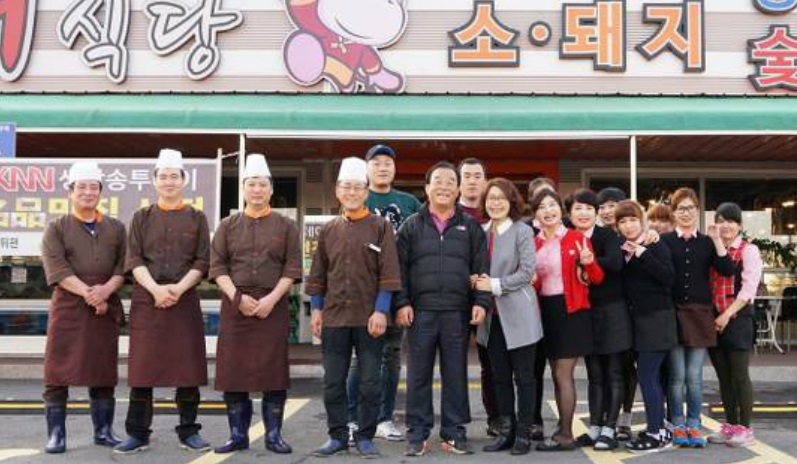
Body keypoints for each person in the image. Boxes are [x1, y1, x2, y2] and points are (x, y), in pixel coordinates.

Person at [115, 149, 212, 454]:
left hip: (185, 300)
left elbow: (202, 260)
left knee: (188, 369)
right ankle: (138, 433)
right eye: (163, 176)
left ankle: (189, 431)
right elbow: (134, 259)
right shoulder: (141, 217)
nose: (169, 182)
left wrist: (178, 289)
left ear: (184, 180)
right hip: (148, 300)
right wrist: (156, 290)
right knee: (142, 370)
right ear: (155, 181)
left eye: (174, 176)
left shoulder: (197, 217)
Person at [307, 157, 402, 458]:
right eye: (346, 187)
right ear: (337, 191)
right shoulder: (329, 229)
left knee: (370, 381)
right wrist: (317, 310)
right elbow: (318, 275)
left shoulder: (380, 226)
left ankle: (365, 436)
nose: (351, 192)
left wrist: (381, 310)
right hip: (334, 317)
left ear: (365, 192)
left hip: (369, 317)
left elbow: (389, 272)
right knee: (333, 381)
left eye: (357, 187)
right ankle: (337, 435)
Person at [395, 161, 490, 456]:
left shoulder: (470, 227)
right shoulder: (411, 225)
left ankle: (454, 432)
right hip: (420, 312)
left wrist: (481, 302)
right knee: (418, 375)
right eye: (438, 181)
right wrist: (402, 303)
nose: (444, 186)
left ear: (458, 189)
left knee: (456, 374)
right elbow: (399, 269)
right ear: (427, 188)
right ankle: (417, 432)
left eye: (450, 182)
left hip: (456, 312)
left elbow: (481, 267)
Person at [209, 154, 302, 454]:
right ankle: (237, 435)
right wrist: (237, 298)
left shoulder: (286, 226)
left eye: (262, 184)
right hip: (235, 306)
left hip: (272, 306)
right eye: (251, 184)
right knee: (233, 373)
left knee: (274, 373)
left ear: (271, 189)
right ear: (244, 189)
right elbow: (217, 267)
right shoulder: (227, 225)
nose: (257, 190)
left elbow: (292, 268)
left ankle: (273, 435)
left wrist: (272, 299)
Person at [40, 161, 127, 454]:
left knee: (103, 371)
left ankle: (104, 431)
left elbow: (122, 267)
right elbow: (58, 269)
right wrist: (91, 294)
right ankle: (56, 435)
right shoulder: (56, 228)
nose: (88, 192)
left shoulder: (116, 228)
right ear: (70, 191)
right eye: (82, 187)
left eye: (94, 187)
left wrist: (105, 292)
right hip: (68, 309)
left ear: (100, 192)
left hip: (104, 309)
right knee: (56, 373)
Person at [346, 144, 421, 443]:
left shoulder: (409, 202)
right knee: (361, 357)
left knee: (391, 356)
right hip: (363, 290)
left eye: (388, 162)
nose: (382, 167)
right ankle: (352, 419)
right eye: (376, 162)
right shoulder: (358, 197)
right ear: (367, 169)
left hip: (398, 289)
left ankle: (384, 418)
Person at [530, 189, 603, 452]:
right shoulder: (533, 242)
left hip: (572, 311)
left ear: (561, 210)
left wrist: (589, 262)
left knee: (563, 373)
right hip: (545, 311)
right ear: (535, 214)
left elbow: (597, 278)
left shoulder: (576, 238)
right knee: (554, 373)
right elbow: (534, 282)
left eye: (552, 205)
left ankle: (565, 434)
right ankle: (563, 429)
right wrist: (533, 282)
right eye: (541, 207)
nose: (548, 211)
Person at [661, 187, 734, 448]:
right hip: (674, 313)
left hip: (701, 313)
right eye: (681, 208)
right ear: (673, 213)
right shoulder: (665, 241)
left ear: (697, 211)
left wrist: (717, 240)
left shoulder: (706, 241)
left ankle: (693, 423)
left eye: (690, 208)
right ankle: (677, 423)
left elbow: (727, 269)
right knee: (677, 376)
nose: (686, 213)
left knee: (694, 376)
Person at [475, 178, 542, 455]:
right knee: (499, 376)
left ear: (511, 201)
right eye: (491, 198)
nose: (495, 203)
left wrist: (494, 284)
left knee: (525, 377)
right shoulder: (479, 231)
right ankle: (507, 431)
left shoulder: (522, 231)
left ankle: (524, 433)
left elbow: (527, 272)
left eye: (501, 198)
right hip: (491, 318)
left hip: (520, 314)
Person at [567, 189, 632, 451]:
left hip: (612, 310)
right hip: (585, 312)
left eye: (588, 209)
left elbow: (615, 263)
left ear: (596, 214)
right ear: (570, 214)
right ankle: (595, 426)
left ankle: (610, 428)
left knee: (614, 371)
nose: (583, 213)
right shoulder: (568, 236)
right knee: (594, 373)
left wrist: (587, 262)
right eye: (578, 208)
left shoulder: (607, 236)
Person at [615, 200, 677, 453]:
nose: (628, 225)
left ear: (641, 221)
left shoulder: (654, 244)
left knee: (648, 376)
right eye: (622, 221)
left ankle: (655, 433)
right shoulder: (622, 249)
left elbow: (668, 277)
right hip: (639, 324)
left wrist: (644, 253)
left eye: (632, 220)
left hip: (658, 321)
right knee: (652, 377)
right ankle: (658, 427)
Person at [707, 203, 762, 448]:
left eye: (731, 221)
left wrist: (727, 315)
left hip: (738, 319)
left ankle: (745, 428)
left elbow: (748, 290)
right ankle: (730, 425)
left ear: (739, 225)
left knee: (739, 376)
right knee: (724, 377)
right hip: (714, 320)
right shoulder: (714, 248)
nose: (726, 226)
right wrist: (715, 317)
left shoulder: (749, 250)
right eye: (722, 221)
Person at [457, 157, 501, 438]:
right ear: (459, 181)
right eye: (467, 176)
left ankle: (496, 417)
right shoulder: (450, 213)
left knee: (491, 363)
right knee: (454, 363)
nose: (472, 181)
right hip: (456, 300)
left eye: (477, 176)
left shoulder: (495, 213)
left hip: (490, 299)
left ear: (485, 181)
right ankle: (456, 422)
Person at [597, 186, 636, 440]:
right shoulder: (598, 236)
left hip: (633, 309)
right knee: (609, 368)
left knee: (627, 367)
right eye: (602, 207)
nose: (606, 211)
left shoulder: (633, 235)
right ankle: (605, 416)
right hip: (609, 310)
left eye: (612, 205)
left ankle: (625, 419)